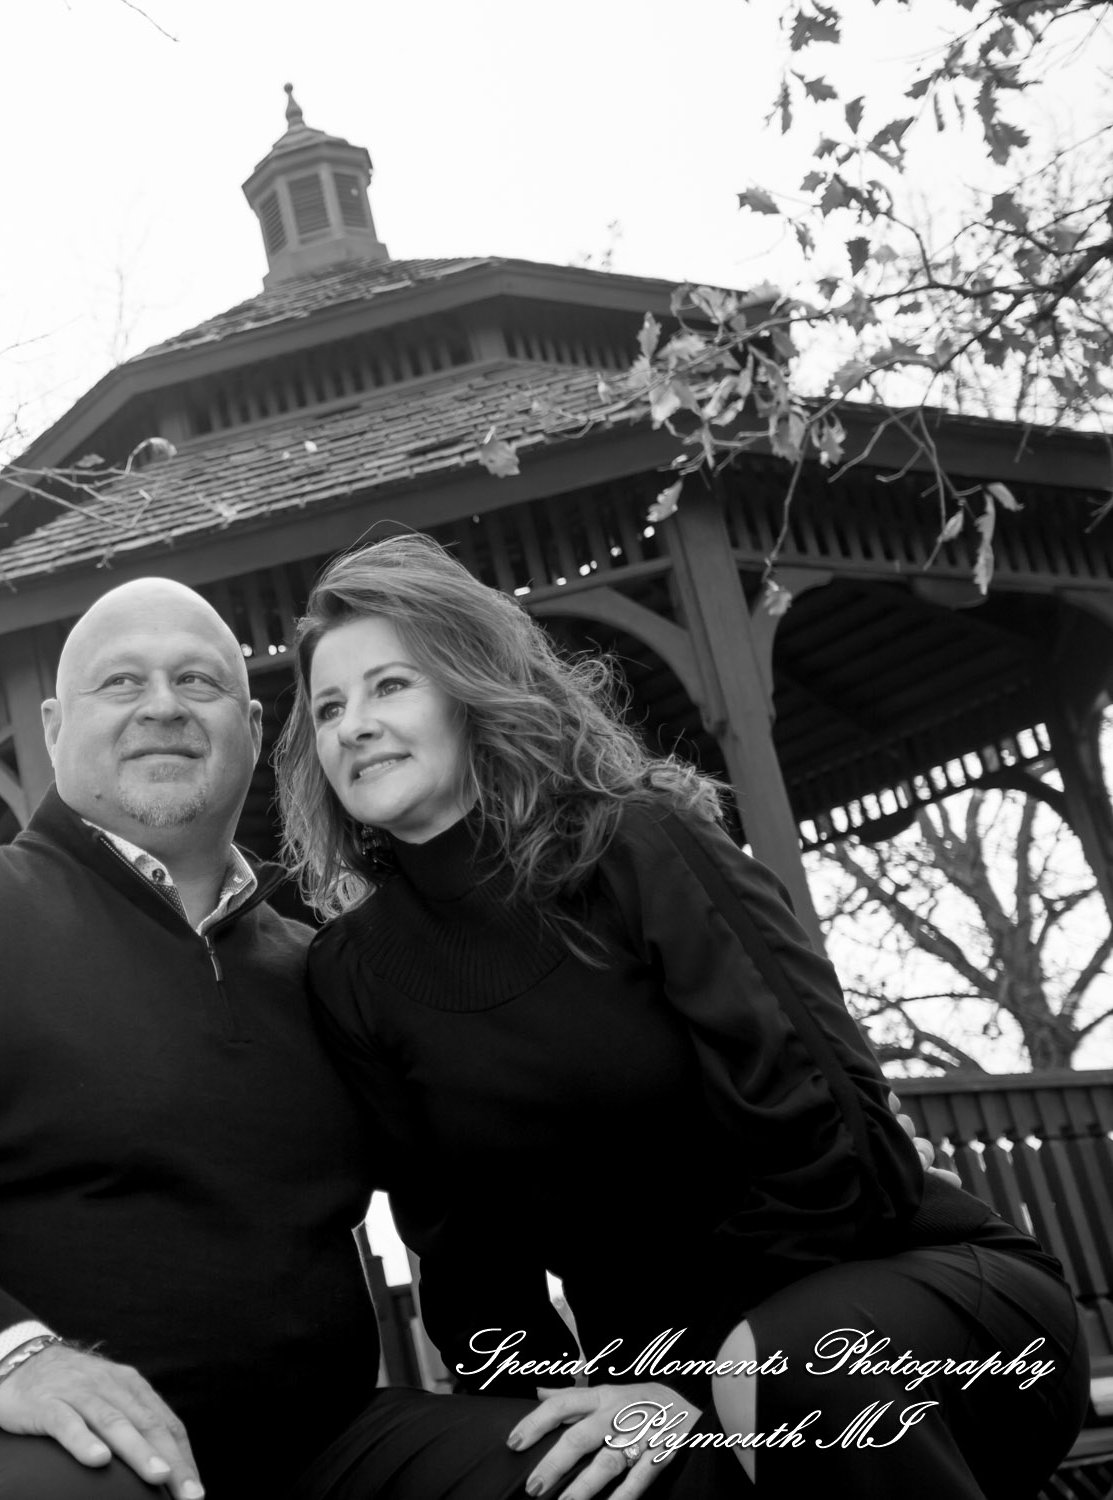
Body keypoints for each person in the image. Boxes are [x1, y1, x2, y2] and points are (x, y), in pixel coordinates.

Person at [275, 534, 1091, 1500]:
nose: (354, 726)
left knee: (792, 1372)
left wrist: (689, 1383)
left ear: (471, 689)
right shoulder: (353, 974)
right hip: (666, 1378)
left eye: (390, 687)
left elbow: (843, 1138)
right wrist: (560, 1409)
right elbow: (465, 1264)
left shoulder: (634, 842)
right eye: (330, 708)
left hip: (914, 1302)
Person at [0, 578, 585, 1500]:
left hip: (316, 1451)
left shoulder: (324, 972)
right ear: (57, 727)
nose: (163, 706)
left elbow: (458, 1215)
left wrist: (561, 1394)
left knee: (625, 1469)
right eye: (122, 683)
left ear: (253, 728)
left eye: (197, 681)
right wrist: (11, 1360)